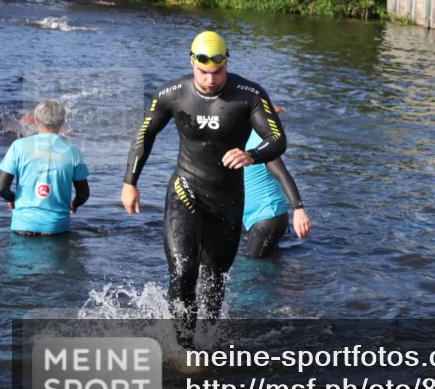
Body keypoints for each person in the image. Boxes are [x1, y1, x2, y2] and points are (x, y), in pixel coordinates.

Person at [121, 31, 286, 347]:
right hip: (185, 189)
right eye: (203, 72)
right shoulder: (173, 93)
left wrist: (252, 154)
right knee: (183, 273)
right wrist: (130, 182)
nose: (210, 80)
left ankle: (206, 344)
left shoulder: (248, 94)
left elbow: (278, 140)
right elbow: (145, 134)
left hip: (227, 200)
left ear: (226, 63)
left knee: (213, 283)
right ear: (191, 62)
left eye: (218, 71)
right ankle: (184, 348)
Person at [0, 100, 90, 236]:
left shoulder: (18, 146)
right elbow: (83, 194)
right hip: (56, 229)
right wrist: (74, 204)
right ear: (63, 122)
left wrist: (12, 199)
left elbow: (1, 188)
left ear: (35, 120)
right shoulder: (72, 151)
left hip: (22, 226)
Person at [242, 120, 311, 258]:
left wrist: (298, 209)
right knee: (267, 264)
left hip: (268, 216)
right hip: (250, 217)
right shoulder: (236, 135)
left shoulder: (259, 140)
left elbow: (282, 175)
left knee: (252, 265)